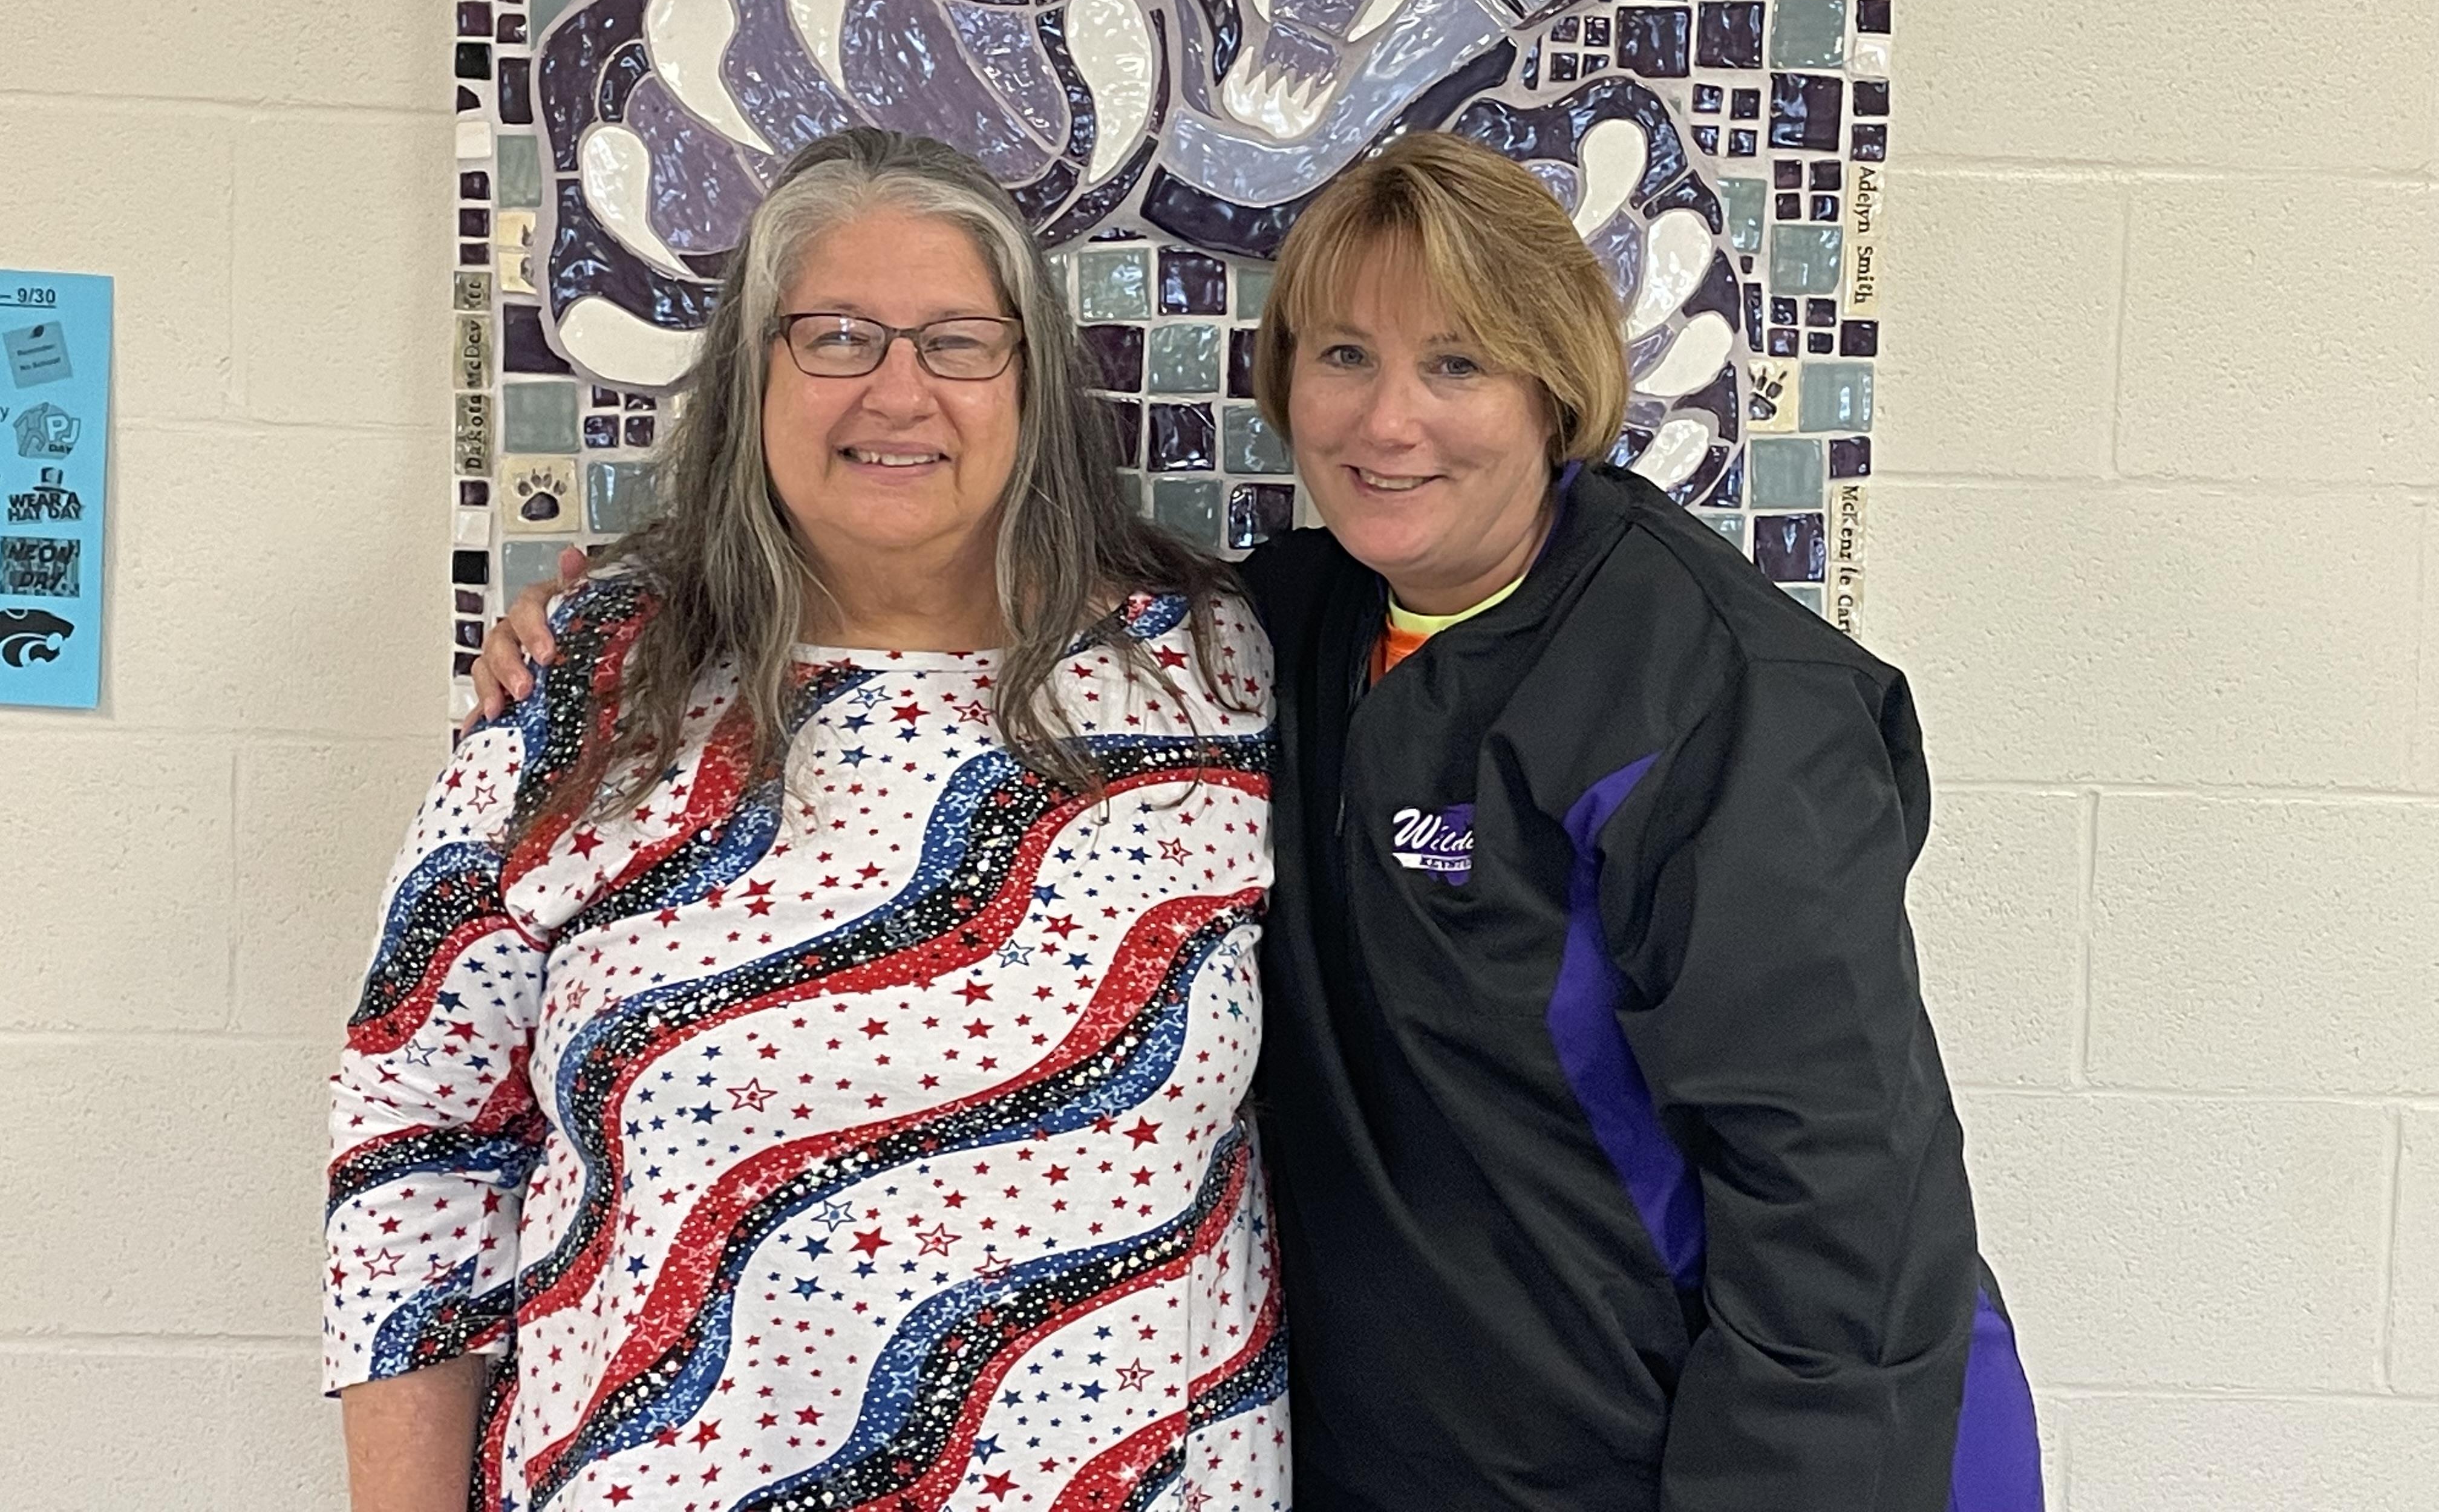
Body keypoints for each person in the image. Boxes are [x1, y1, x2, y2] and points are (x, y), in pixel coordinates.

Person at [469, 131, 2042, 1510]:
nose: (1388, 422)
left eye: (1458, 364)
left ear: (1560, 383)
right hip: (1393, 1455)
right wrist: (625, 610)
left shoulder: (1721, 706)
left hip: (1692, 1466)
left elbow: (1850, 1237)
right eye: (1342, 357)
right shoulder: (1261, 642)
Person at [326, 129, 1288, 1512]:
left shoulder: (1213, 676)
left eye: (959, 341)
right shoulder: (586, 689)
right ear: (751, 376)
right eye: (836, 336)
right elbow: (414, 1142)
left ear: (1031, 383)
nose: (899, 391)